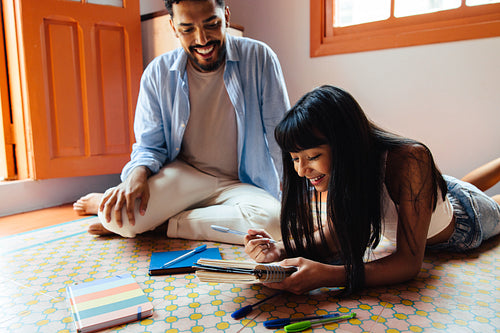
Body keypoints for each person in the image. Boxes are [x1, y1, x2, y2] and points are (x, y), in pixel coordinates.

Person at [243, 85, 500, 295]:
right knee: (465, 187)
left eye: (312, 156)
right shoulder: (345, 170)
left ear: (344, 144)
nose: (301, 171)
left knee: (480, 200)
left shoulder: (411, 160)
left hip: (468, 221)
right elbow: (334, 234)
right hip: (436, 196)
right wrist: (279, 249)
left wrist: (328, 275)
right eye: (295, 158)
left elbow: (409, 263)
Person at [73, 0, 290, 244]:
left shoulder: (260, 57)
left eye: (212, 25)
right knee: (116, 217)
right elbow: (149, 145)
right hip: (185, 175)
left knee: (275, 224)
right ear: (174, 27)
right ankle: (112, 203)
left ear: (226, 16)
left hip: (242, 183)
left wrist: (295, 196)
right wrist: (136, 175)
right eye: (187, 29)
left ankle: (164, 223)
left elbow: (280, 134)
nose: (202, 39)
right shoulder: (157, 73)